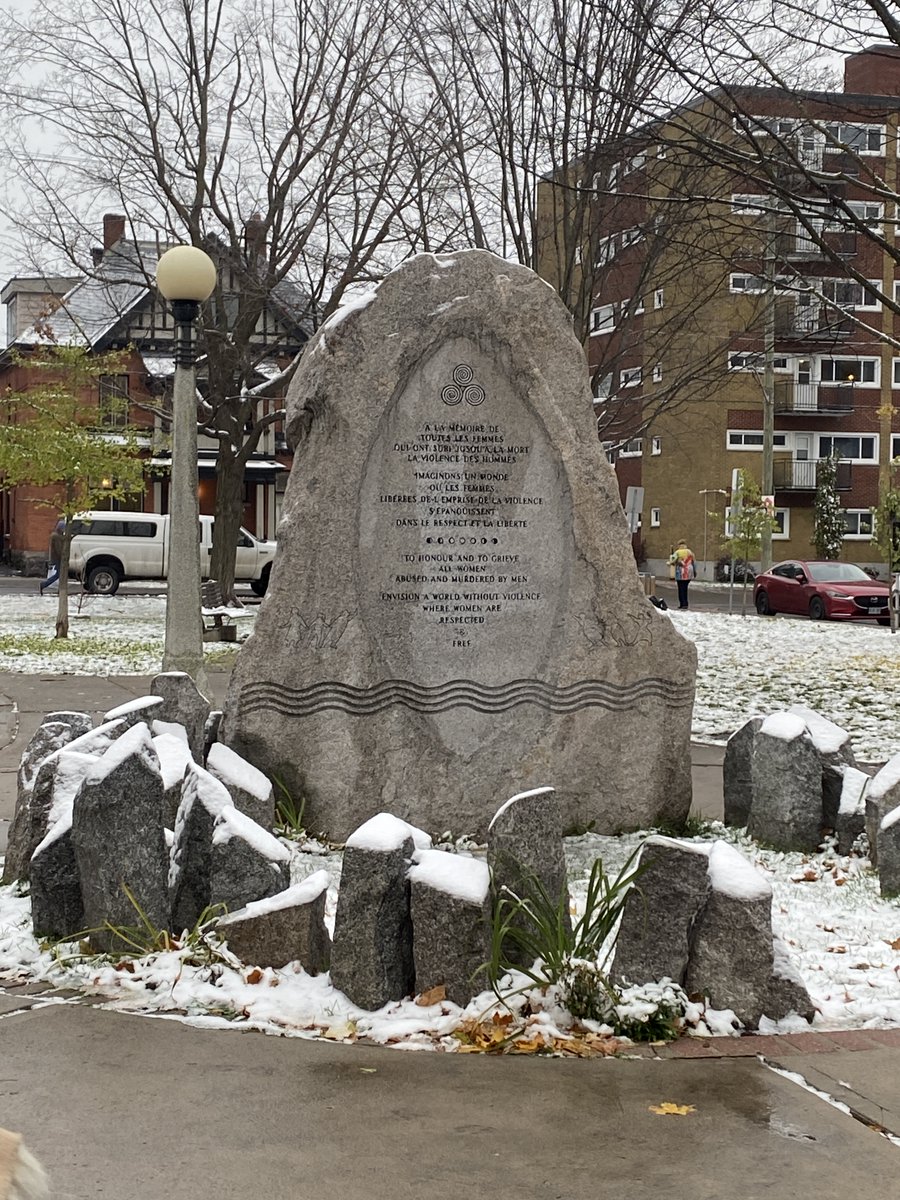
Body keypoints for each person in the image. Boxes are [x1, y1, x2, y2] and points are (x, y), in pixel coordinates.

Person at [39, 520, 65, 596]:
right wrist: (62, 557)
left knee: (60, 574)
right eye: (63, 528)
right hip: (57, 558)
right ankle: (44, 584)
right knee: (59, 574)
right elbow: (58, 548)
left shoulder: (57, 535)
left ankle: (59, 589)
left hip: (57, 558)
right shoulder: (56, 536)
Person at [668, 540, 696, 609]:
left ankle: (682, 603)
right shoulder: (690, 552)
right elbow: (694, 562)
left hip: (681, 573)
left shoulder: (677, 552)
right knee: (685, 588)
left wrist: (670, 563)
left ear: (679, 545)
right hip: (689, 572)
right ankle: (685, 603)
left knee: (680, 588)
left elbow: (672, 560)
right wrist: (694, 571)